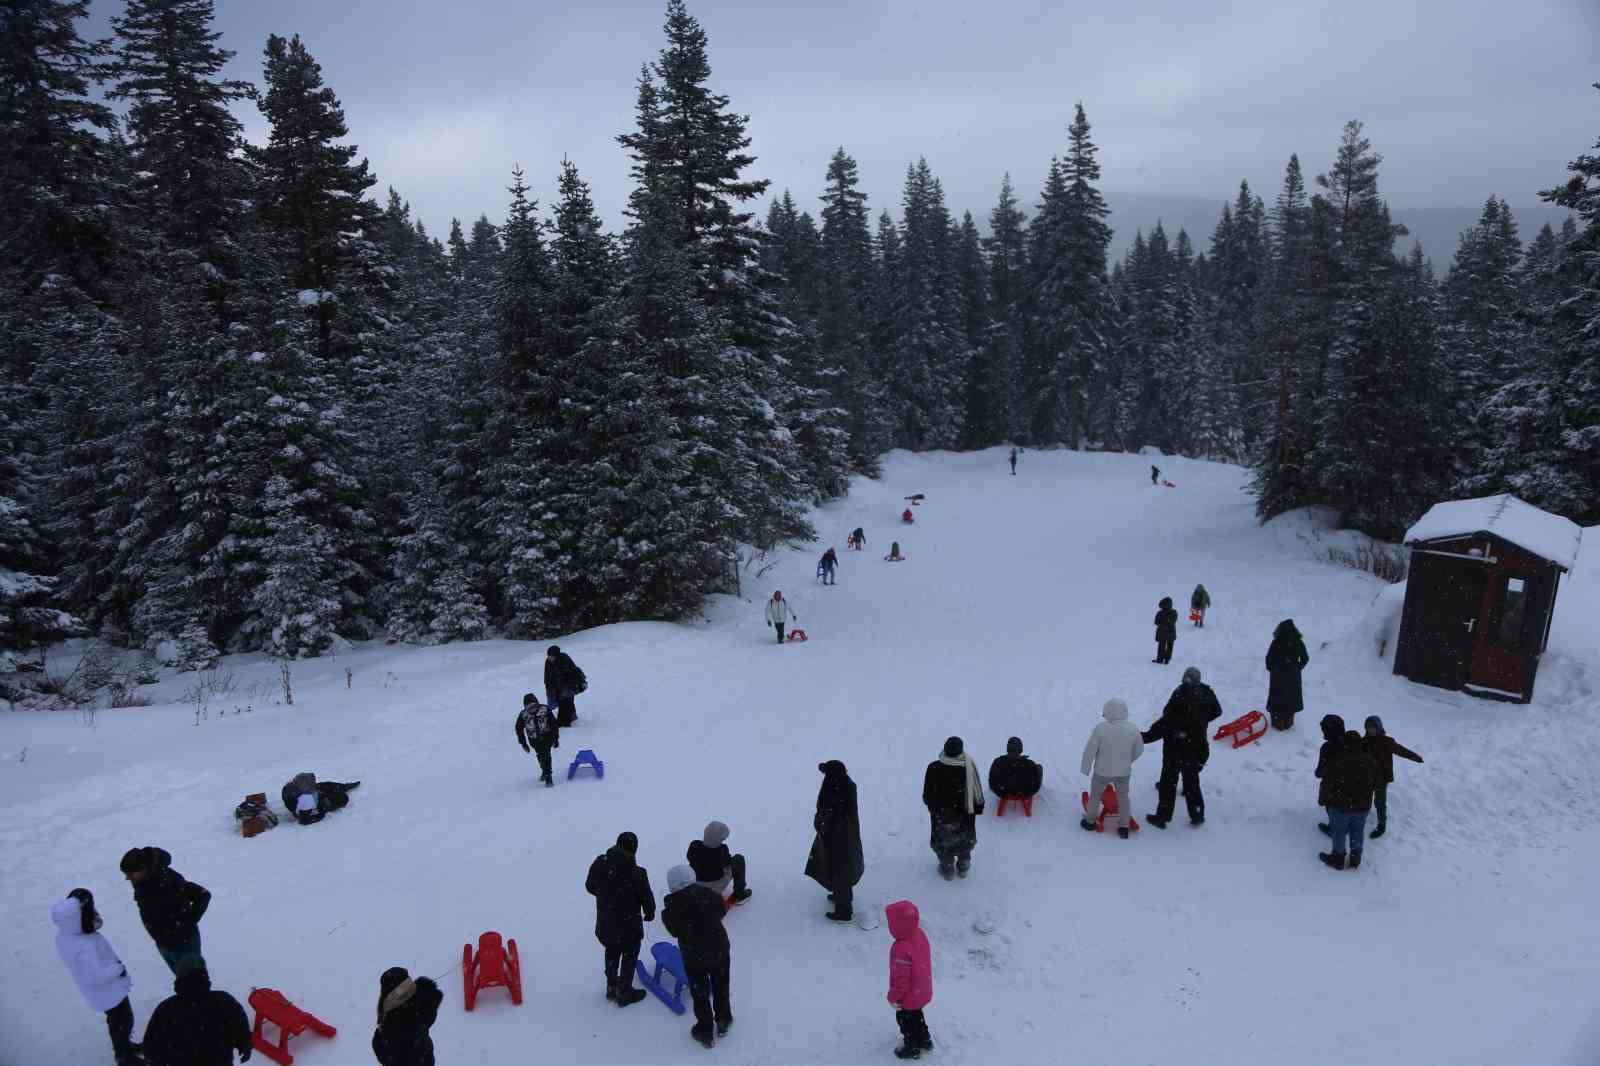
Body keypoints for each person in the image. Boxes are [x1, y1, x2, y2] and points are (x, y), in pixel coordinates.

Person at [52, 890, 139, 1065]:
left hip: (105, 992)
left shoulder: (67, 936)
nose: (94, 915)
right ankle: (124, 1056)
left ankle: (124, 1047)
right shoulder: (83, 947)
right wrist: (118, 968)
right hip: (109, 992)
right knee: (122, 1021)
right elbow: (96, 976)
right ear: (76, 920)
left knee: (118, 1022)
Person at [1141, 668, 1223, 828]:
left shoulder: (1180, 694)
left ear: (1184, 678)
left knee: (1168, 780)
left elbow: (1167, 721)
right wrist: (1201, 721)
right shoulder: (1207, 692)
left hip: (1176, 746)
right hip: (1198, 745)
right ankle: (1197, 814)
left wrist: (1144, 737)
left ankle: (1162, 817)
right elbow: (1217, 711)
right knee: (1192, 779)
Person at [662, 865, 732, 1048]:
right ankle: (723, 1019)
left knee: (700, 994)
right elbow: (722, 910)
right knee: (721, 985)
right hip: (719, 949)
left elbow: (674, 931)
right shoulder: (709, 895)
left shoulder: (670, 908)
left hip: (694, 957)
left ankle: (705, 1030)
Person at [586, 831, 655, 1005]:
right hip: (629, 925)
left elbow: (590, 886)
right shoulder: (637, 873)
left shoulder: (600, 863)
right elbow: (646, 898)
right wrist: (649, 912)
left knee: (611, 951)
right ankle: (624, 991)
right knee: (629, 955)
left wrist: (605, 895)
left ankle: (611, 986)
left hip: (606, 922)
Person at [120, 847, 209, 975]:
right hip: (164, 944)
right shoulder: (142, 882)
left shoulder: (169, 881)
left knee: (195, 980)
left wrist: (186, 926)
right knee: (181, 977)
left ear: (144, 868)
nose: (127, 878)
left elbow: (203, 895)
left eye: (131, 873)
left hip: (185, 944)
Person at [140, 962, 250, 1066]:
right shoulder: (224, 1001)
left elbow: (151, 1048)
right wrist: (245, 1045)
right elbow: (241, 1028)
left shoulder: (166, 1008)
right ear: (205, 978)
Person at [805, 761, 864, 922]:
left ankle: (843, 911)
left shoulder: (835, 788)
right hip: (845, 835)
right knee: (842, 869)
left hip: (837, 836)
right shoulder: (846, 785)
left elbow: (827, 810)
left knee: (839, 870)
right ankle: (840, 896)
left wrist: (821, 823)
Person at [1080, 698, 1145, 838]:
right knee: (1123, 796)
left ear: (1107, 712)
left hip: (1102, 772)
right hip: (1123, 772)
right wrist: (1127, 761)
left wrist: (1086, 768)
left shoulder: (1101, 729)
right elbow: (1139, 750)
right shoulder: (1133, 729)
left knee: (1096, 795)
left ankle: (1090, 820)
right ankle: (1123, 825)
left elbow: (1090, 750)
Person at [922, 737, 984, 880]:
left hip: (941, 817)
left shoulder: (934, 768)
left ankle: (947, 869)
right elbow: (977, 798)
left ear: (945, 749)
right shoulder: (969, 767)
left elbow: (927, 796)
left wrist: (934, 808)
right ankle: (963, 866)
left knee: (943, 844)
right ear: (960, 751)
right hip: (965, 816)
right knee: (964, 842)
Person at [1319, 731, 1377, 870]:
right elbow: (1377, 782)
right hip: (1362, 806)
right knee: (1357, 831)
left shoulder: (1337, 760)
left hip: (1340, 806)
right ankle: (1355, 858)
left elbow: (1327, 782)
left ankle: (1338, 858)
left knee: (1338, 832)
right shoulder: (1369, 760)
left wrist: (1323, 799)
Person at [885, 900, 935, 1060]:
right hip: (922, 989)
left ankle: (912, 1046)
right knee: (916, 1015)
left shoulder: (901, 947)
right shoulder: (919, 934)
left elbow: (901, 979)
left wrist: (893, 996)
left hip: (909, 994)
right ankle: (925, 1039)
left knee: (906, 1020)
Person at [1362, 716, 1423, 839]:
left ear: (1379, 728)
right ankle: (1360, 817)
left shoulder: (1387, 741)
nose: (1370, 730)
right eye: (1368, 728)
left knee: (1380, 802)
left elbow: (1401, 750)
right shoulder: (1363, 742)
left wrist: (1415, 757)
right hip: (1367, 776)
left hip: (1382, 778)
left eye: (1373, 728)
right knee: (1364, 799)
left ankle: (1381, 825)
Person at [371, 966, 444, 1066]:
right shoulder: (421, 1004)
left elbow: (384, 1054)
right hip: (425, 1058)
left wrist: (378, 1037)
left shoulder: (396, 1020)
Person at [688, 821, 752, 904]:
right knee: (739, 859)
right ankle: (740, 894)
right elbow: (727, 863)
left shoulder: (694, 845)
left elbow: (690, 857)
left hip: (696, 884)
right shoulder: (722, 850)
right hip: (715, 887)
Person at [1265, 619, 1310, 730]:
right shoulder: (1298, 642)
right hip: (1293, 675)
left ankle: (1277, 722)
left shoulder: (1276, 642)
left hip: (1278, 675)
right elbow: (1305, 658)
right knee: (1291, 699)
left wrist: (1272, 669)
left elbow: (1269, 658)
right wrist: (1298, 667)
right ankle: (1288, 722)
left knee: (1277, 699)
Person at [514, 693, 561, 787]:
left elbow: (554, 724)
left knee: (546, 755)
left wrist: (555, 738)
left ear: (537, 704)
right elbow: (519, 729)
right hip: (534, 740)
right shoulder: (523, 715)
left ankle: (548, 776)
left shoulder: (545, 710)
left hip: (547, 736)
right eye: (529, 707)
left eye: (534, 706)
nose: (532, 709)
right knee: (540, 755)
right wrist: (523, 743)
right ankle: (544, 770)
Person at [279, 773, 361, 825]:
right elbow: (304, 820)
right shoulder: (304, 803)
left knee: (326, 785)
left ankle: (344, 786)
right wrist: (321, 813)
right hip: (317, 802)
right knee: (340, 798)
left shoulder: (290, 789)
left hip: (308, 795)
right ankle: (340, 791)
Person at [1314, 714, 1347, 833]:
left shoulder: (1327, 747)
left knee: (1332, 807)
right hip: (1352, 782)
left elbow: (1320, 771)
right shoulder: (1351, 742)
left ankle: (1335, 830)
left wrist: (1319, 772)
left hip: (1332, 785)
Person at [544, 645, 587, 727]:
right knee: (563, 702)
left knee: (566, 703)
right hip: (556, 687)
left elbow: (573, 670)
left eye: (551, 656)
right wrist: (549, 689)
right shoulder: (548, 662)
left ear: (556, 655)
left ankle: (563, 722)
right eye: (548, 656)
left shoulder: (564, 659)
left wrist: (579, 683)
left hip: (569, 686)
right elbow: (547, 676)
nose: (549, 658)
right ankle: (572, 715)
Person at [1153, 597, 1178, 664]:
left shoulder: (1160, 613)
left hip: (1162, 632)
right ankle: (1167, 659)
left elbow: (1156, 622)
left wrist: (1162, 624)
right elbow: (1173, 621)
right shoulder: (1174, 612)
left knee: (1161, 646)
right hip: (1171, 632)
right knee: (1170, 646)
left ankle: (1160, 659)